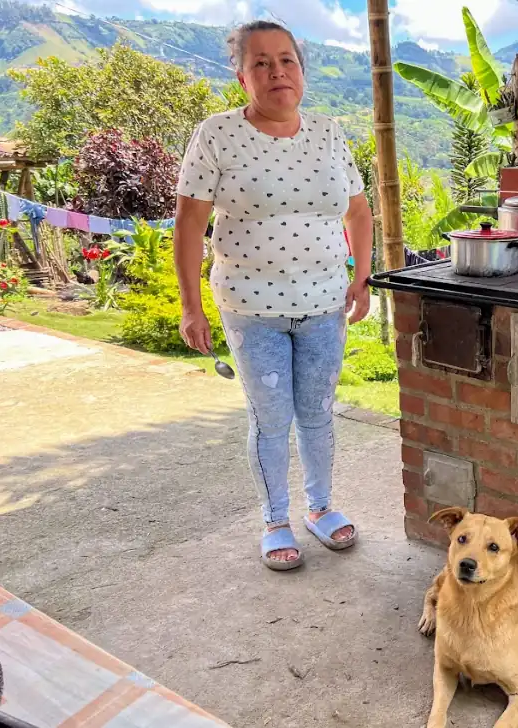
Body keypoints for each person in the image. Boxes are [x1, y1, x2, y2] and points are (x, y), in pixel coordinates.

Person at [173, 20, 373, 571]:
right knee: (271, 419)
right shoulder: (216, 134)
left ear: (302, 71)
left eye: (287, 60)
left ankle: (321, 507)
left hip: (325, 305)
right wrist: (190, 307)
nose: (277, 71)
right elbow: (189, 225)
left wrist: (362, 277)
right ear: (243, 77)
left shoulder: (329, 132)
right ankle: (275, 519)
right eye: (261, 62)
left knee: (318, 413)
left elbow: (358, 212)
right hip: (251, 309)